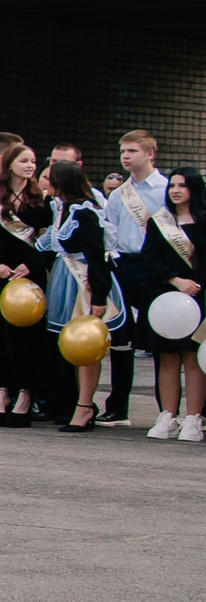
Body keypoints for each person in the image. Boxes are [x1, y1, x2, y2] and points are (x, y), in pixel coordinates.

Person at [43, 157, 122, 434]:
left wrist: (98, 297)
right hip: (64, 279)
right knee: (69, 343)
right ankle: (73, 402)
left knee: (87, 345)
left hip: (83, 283)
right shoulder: (59, 208)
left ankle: (85, 405)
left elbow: (97, 256)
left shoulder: (84, 212)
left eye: (48, 177)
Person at [0, 140, 49, 428]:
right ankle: (2, 391)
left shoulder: (41, 200)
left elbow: (48, 241)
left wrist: (32, 264)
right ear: (10, 165)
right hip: (2, 276)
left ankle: (26, 392)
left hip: (29, 275)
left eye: (33, 161)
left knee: (27, 337)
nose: (30, 165)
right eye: (24, 161)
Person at [104, 129, 172, 426]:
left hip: (155, 268)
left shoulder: (168, 189)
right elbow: (112, 234)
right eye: (123, 152)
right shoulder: (119, 195)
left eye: (132, 151)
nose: (125, 157)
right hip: (124, 266)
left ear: (149, 154)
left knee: (161, 338)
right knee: (121, 337)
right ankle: (118, 406)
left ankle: (165, 409)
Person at [135, 166, 203, 442]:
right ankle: (167, 414)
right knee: (167, 357)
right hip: (165, 297)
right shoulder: (159, 221)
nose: (175, 190)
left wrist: (193, 285)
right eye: (172, 185)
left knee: (192, 357)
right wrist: (175, 281)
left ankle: (194, 418)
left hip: (199, 296)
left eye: (182, 185)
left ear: (194, 189)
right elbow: (149, 257)